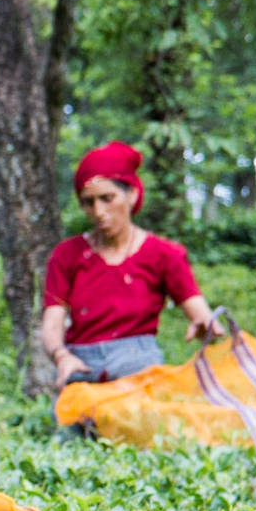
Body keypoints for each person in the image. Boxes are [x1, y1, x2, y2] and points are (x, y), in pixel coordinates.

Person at [40, 141, 223, 389]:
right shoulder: (67, 255)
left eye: (107, 198)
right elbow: (52, 322)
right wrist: (62, 357)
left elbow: (200, 311)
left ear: (132, 194)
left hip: (138, 363)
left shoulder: (164, 254)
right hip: (81, 363)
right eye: (88, 202)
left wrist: (206, 325)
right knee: (73, 423)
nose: (99, 211)